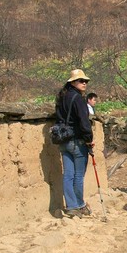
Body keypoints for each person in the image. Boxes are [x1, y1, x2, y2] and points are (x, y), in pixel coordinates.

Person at [55, 69, 95, 218]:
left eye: (85, 81)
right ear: (72, 83)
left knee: (68, 175)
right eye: (81, 81)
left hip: (63, 140)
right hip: (77, 141)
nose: (84, 83)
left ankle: (71, 206)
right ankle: (79, 205)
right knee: (78, 175)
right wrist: (89, 139)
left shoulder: (61, 98)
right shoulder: (78, 99)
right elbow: (84, 122)